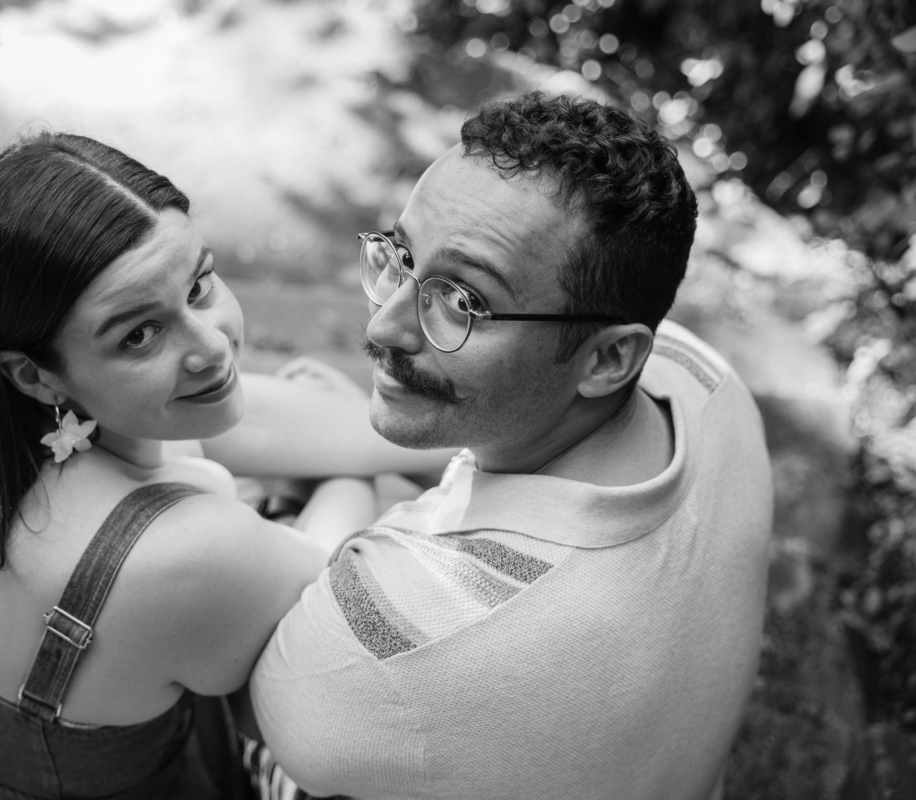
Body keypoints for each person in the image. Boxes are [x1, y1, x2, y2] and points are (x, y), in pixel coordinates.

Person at [0, 132, 453, 800]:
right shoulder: (187, 556)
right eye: (139, 335)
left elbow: (288, 424)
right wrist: (348, 477)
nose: (212, 348)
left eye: (198, 286)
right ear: (35, 374)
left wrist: (380, 438)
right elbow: (340, 591)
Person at [249, 92, 772, 800]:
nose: (382, 327)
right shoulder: (705, 383)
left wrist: (322, 496)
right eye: (401, 256)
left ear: (608, 358)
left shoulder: (397, 638)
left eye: (464, 301)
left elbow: (252, 703)